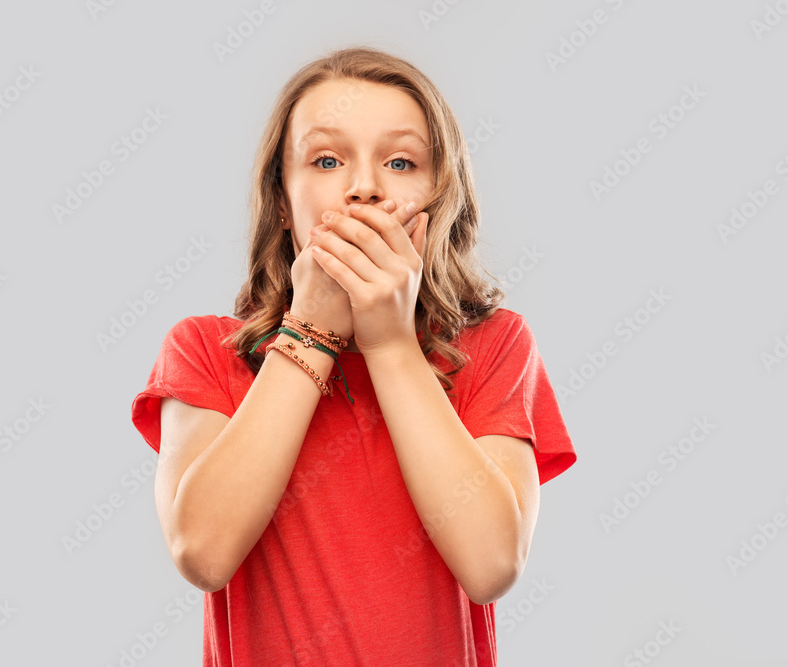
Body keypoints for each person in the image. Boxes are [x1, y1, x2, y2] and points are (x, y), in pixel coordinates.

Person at [131, 45, 577, 666]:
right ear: (284, 204)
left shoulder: (495, 346)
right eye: (327, 159)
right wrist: (311, 328)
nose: (364, 186)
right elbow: (202, 552)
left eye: (399, 161)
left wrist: (390, 342)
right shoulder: (207, 353)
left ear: (437, 197)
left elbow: (492, 564)